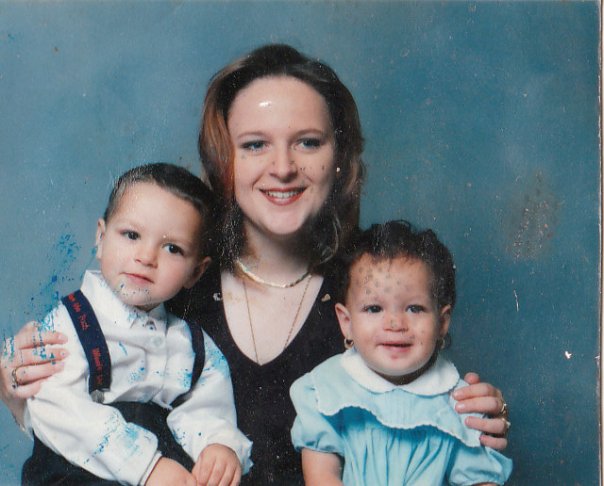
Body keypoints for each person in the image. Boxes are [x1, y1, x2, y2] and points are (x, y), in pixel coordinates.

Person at [1, 45, 510, 485]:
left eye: (308, 142)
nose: (282, 167)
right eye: (255, 145)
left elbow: (419, 412)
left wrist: (474, 414)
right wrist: (20, 389)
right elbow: (83, 406)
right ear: (224, 159)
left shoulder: (373, 287)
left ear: (340, 157)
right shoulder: (169, 274)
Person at [19, 163, 252, 485]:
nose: (146, 257)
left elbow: (205, 409)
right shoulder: (69, 323)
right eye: (131, 235)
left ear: (196, 272)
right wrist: (146, 466)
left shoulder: (193, 346)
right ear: (101, 238)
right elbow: (56, 407)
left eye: (172, 248)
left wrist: (217, 445)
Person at [290, 220, 513, 485]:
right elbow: (321, 477)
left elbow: (481, 481)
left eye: (414, 308)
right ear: (346, 322)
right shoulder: (328, 389)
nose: (395, 324)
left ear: (442, 322)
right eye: (374, 309)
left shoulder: (460, 403)